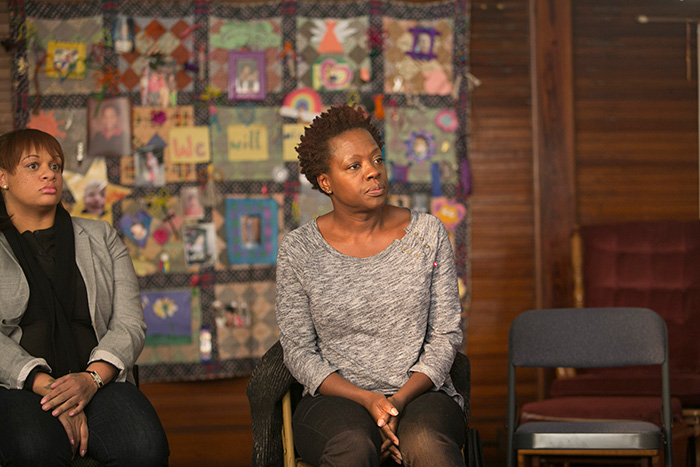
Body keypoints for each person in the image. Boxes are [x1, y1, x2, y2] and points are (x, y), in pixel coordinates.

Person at [276, 105, 466, 466]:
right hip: (334, 402)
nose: (373, 171)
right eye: (354, 166)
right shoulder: (299, 250)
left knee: (425, 443)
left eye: (377, 159)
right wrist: (368, 399)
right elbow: (298, 351)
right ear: (325, 182)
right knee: (352, 446)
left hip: (421, 395)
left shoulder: (427, 234)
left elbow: (445, 334)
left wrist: (396, 402)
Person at [0, 129, 169, 465]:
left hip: (97, 381)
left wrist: (90, 380)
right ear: (3, 178)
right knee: (34, 449)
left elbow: (130, 324)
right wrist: (49, 387)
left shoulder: (101, 237)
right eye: (33, 166)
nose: (49, 174)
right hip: (20, 385)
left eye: (55, 166)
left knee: (145, 446)